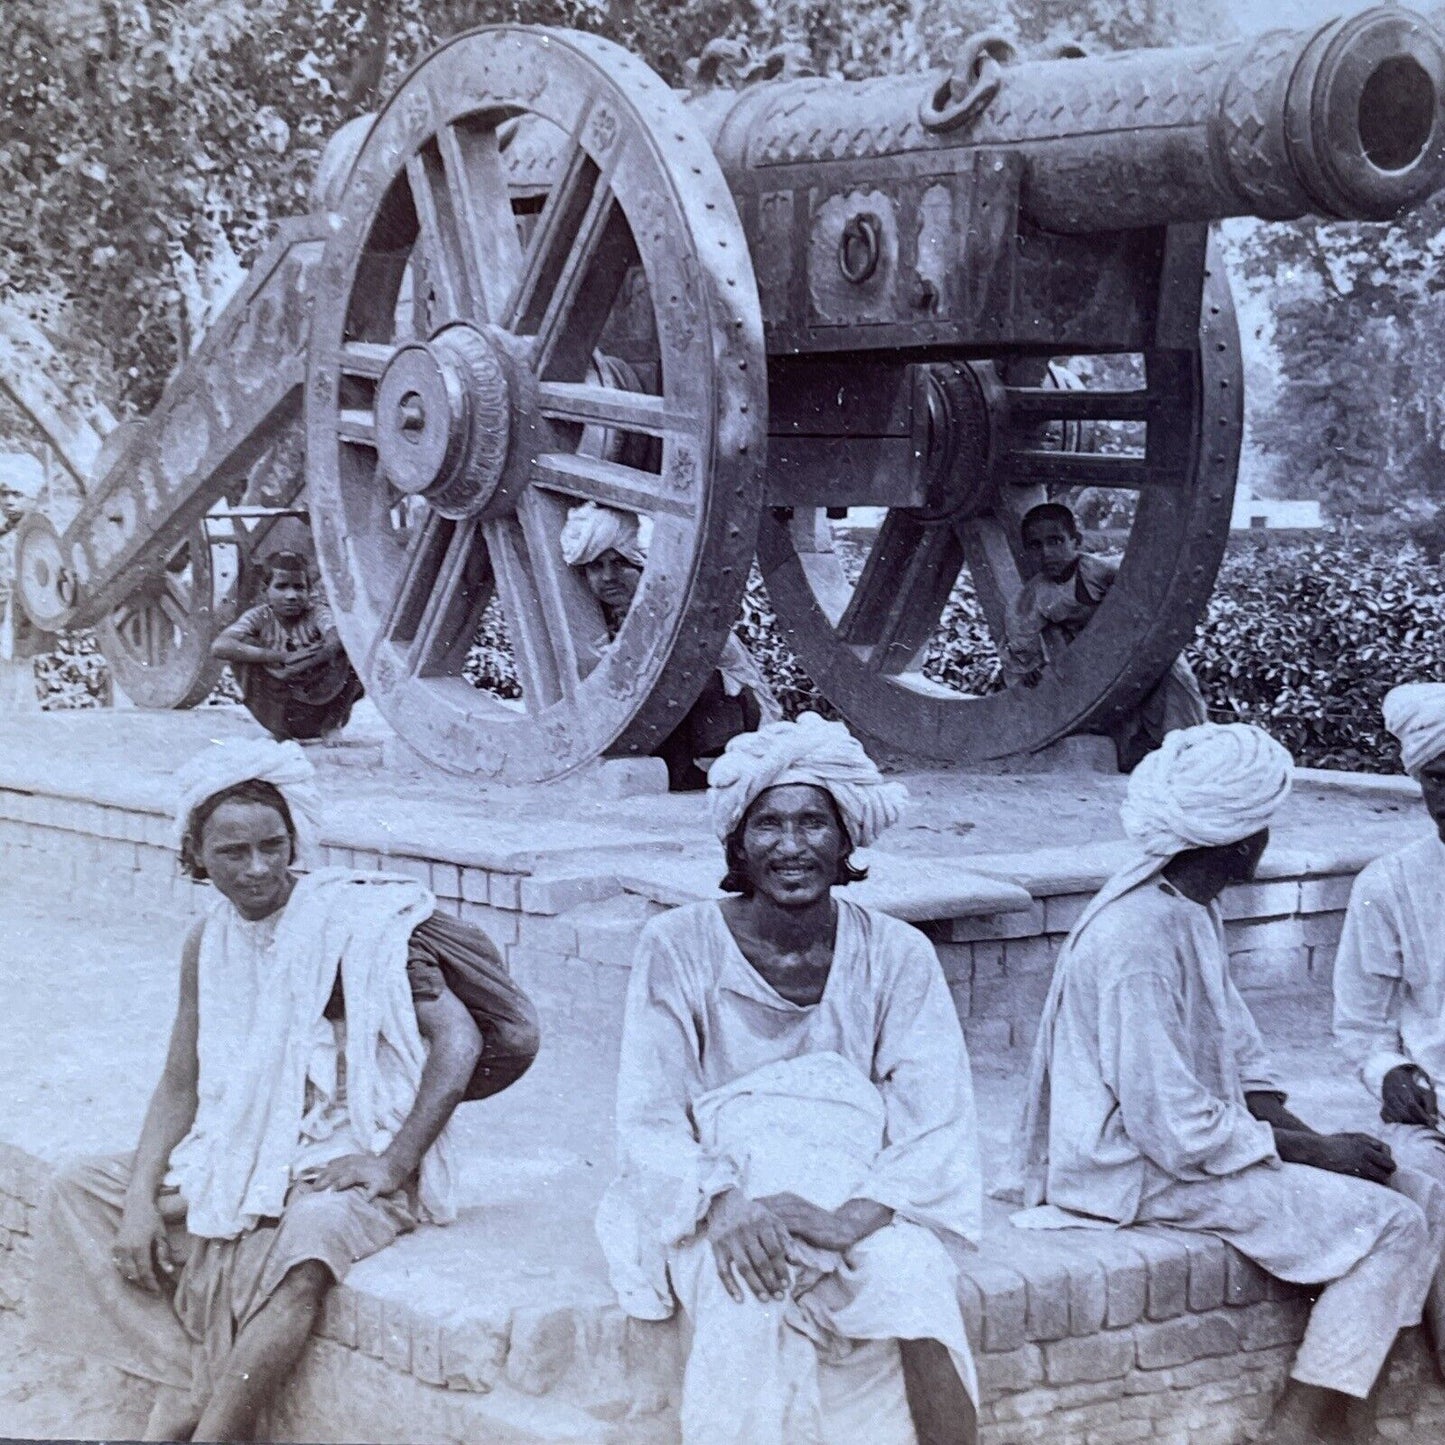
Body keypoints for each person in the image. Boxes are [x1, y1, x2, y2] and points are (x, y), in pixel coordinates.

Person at [27, 738, 540, 1441]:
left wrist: (391, 1162)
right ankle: (189, 1378)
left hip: (348, 1144)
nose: (259, 867)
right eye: (233, 853)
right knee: (78, 1189)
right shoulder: (208, 939)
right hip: (238, 1144)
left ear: (293, 839)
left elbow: (460, 1039)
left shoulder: (348, 925)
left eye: (272, 844)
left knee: (307, 1240)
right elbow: (182, 1080)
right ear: (196, 857)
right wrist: (140, 1200)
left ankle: (215, 1429)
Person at [1007, 722, 1444, 1445]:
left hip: (1181, 1153)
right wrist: (1313, 1154)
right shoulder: (1136, 938)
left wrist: (1322, 1141)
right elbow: (1169, 1126)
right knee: (1392, 1223)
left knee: (1398, 1186)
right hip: (1126, 1171)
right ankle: (1298, 1425)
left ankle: (1356, 1417)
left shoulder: (1189, 910)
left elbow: (1242, 1064)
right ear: (1242, 840)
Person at [597, 712, 981, 1445]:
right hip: (718, 1191)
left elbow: (936, 1122)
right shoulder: (676, 945)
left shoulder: (896, 955)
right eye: (768, 825)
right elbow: (648, 1117)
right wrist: (722, 1206)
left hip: (850, 1189)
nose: (792, 846)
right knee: (744, 1292)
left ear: (846, 841)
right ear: (738, 842)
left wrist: (847, 1219)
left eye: (813, 823)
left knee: (915, 1276)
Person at [1334, 681, 1445, 1380]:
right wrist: (1388, 1073)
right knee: (1426, 1188)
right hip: (1435, 1112)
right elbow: (1360, 1027)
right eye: (1439, 776)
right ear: (1418, 781)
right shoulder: (1389, 884)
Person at [560, 501, 781, 790]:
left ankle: (714, 770)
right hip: (665, 734)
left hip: (727, 725)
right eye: (595, 567)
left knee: (696, 677)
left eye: (619, 563)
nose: (607, 577)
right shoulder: (601, 619)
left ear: (643, 563)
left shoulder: (670, 609)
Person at [1002, 501, 1206, 771]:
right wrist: (1028, 666)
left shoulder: (1100, 572)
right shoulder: (1034, 596)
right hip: (1097, 665)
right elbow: (1020, 633)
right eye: (1036, 546)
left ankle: (1190, 763)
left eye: (1055, 541)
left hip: (1142, 651)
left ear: (1075, 541)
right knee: (1124, 728)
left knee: (1175, 708)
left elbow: (1146, 599)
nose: (1047, 553)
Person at [211, 551, 364, 743]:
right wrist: (281, 657)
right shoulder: (259, 616)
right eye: (281, 587)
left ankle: (332, 725)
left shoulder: (316, 612)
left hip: (321, 702)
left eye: (299, 587)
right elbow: (220, 646)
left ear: (309, 591)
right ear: (266, 590)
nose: (291, 595)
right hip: (280, 705)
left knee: (351, 650)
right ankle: (278, 730)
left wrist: (302, 663)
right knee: (243, 648)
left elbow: (335, 638)